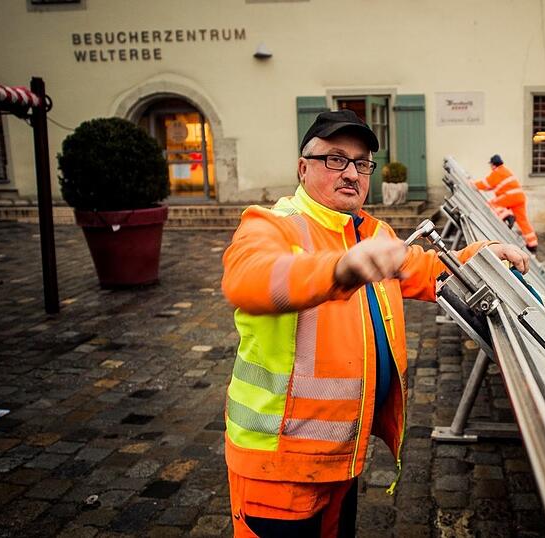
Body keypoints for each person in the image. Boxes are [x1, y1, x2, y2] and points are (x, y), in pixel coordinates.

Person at [220, 109, 529, 537]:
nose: (351, 173)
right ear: (302, 166)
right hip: (278, 465)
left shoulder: (373, 231)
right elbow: (247, 279)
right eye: (335, 159)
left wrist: (477, 256)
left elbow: (424, 268)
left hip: (342, 457)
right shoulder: (270, 224)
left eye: (362, 163)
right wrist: (339, 269)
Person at [473, 154, 538, 253]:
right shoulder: (505, 170)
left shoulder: (497, 172)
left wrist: (472, 184)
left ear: (493, 164)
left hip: (511, 196)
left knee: (491, 204)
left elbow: (486, 184)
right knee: (522, 220)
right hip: (519, 196)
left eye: (491, 165)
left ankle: (508, 216)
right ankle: (532, 244)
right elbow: (490, 186)